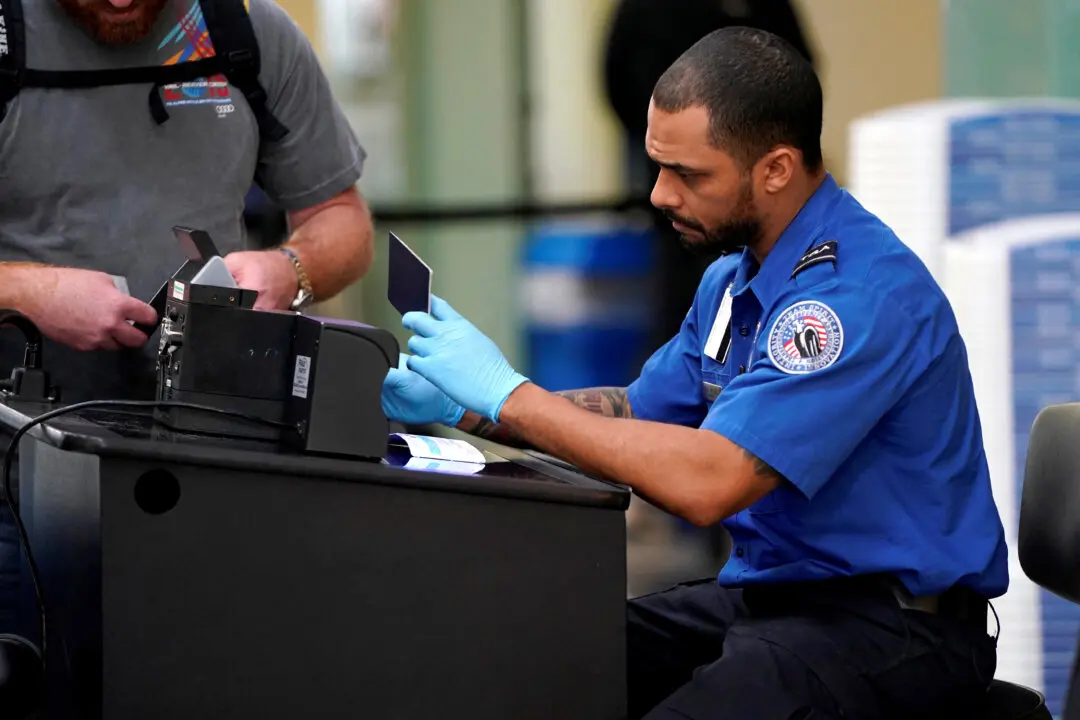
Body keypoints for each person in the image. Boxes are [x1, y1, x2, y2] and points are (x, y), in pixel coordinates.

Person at [382, 27, 1009, 719]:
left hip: (893, 627)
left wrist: (512, 396)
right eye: (657, 167)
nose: (659, 194)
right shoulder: (732, 282)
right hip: (776, 599)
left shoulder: (850, 300)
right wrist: (468, 409)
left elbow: (710, 481)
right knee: (531, 662)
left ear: (775, 169)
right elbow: (637, 416)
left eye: (689, 175)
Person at [0, 0, 372, 648]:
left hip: (211, 473)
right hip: (14, 483)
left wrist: (290, 269)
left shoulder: (244, 34)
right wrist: (32, 292)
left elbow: (342, 221)